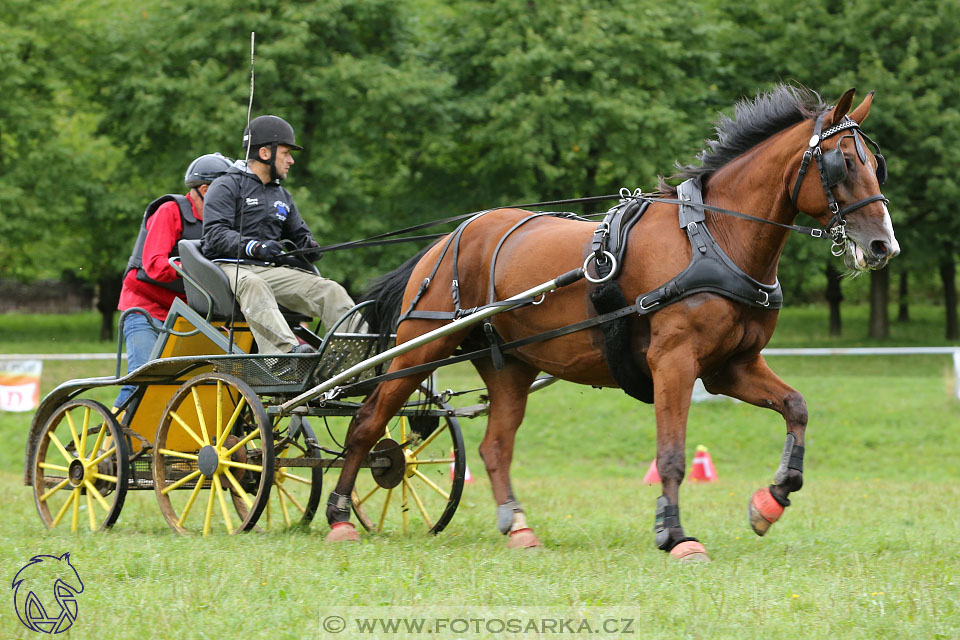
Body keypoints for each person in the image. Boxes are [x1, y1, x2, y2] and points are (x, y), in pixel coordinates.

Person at [201, 115, 362, 355]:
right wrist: (254, 247)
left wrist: (309, 247)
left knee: (331, 290)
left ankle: (361, 356)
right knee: (255, 284)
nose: (291, 160)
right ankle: (286, 356)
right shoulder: (225, 186)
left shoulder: (282, 196)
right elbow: (215, 234)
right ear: (265, 153)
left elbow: (299, 234)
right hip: (228, 268)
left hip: (269, 271)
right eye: (286, 153)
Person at [114, 152, 233, 409]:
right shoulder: (170, 211)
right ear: (205, 189)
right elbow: (155, 265)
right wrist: (201, 268)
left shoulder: (221, 225)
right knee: (141, 379)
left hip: (188, 315)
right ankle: (113, 442)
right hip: (146, 309)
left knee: (199, 383)